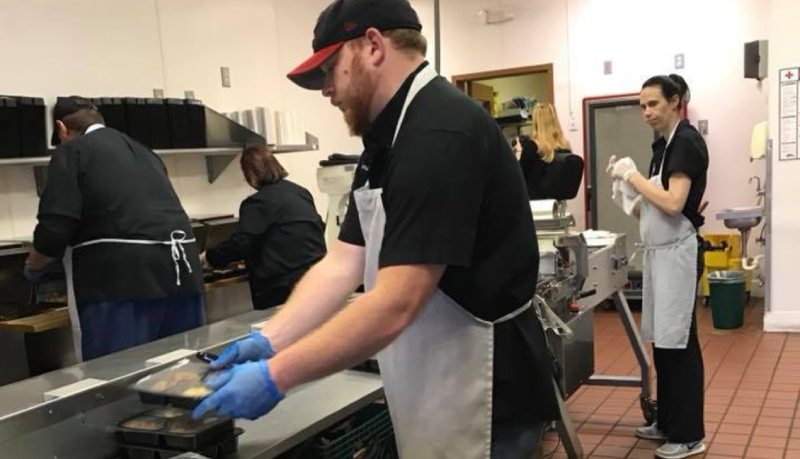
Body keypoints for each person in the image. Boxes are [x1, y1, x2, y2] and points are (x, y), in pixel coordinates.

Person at [192, 0, 560, 458]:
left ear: (372, 45)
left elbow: (395, 303)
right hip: (433, 372)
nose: (324, 88)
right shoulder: (386, 141)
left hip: (482, 383)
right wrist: (271, 338)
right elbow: (343, 261)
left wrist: (278, 374)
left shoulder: (441, 132)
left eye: (329, 68)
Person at [25, 96, 205, 361]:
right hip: (182, 273)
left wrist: (33, 267)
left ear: (62, 129)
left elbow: (54, 231)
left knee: (115, 378)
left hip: (118, 284)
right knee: (180, 372)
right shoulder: (145, 152)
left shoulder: (72, 151)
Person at [607, 74, 708, 459]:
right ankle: (666, 421)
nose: (647, 111)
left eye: (654, 103)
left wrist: (632, 175)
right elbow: (649, 206)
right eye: (642, 105)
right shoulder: (662, 145)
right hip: (659, 254)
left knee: (679, 344)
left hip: (678, 255)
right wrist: (625, 191)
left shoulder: (686, 142)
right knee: (662, 344)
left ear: (676, 101)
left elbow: (673, 203)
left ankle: (690, 436)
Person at [205, 145, 326, 310]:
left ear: (250, 174)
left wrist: (210, 258)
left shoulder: (257, 203)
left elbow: (240, 243)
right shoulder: (300, 192)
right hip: (315, 278)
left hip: (282, 288)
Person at [513, 103, 584, 200]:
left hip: (536, 206)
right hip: (557, 206)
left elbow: (519, 178)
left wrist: (517, 158)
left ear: (536, 122)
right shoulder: (564, 145)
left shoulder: (531, 147)